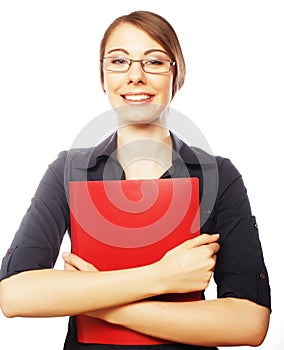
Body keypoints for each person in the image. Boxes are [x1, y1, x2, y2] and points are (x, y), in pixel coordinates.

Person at [0, 10, 271, 350]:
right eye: (118, 61)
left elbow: (249, 322)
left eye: (154, 62)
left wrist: (96, 302)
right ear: (103, 76)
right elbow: (15, 295)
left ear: (178, 75)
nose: (135, 76)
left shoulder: (219, 176)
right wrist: (161, 276)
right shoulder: (68, 170)